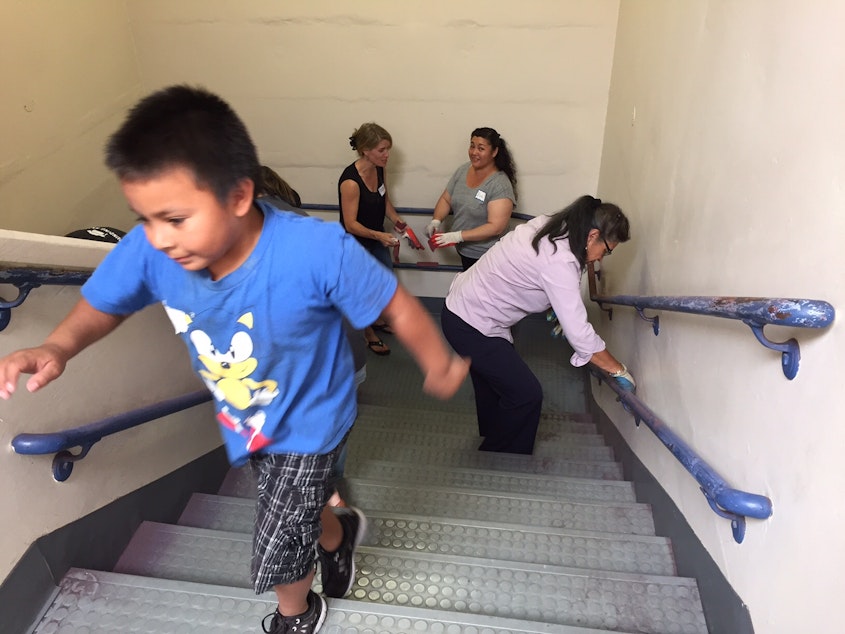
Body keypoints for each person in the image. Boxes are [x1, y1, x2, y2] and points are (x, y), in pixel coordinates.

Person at [0, 86, 469, 634]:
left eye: (175, 218)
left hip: (314, 416)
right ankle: (338, 532)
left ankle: (296, 613)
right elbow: (104, 302)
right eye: (144, 218)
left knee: (278, 533)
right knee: (299, 502)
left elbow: (394, 303)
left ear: (239, 195)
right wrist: (57, 346)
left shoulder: (313, 250)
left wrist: (436, 359)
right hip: (246, 416)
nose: (158, 238)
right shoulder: (153, 246)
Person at [440, 194, 636, 455]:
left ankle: (491, 447)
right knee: (526, 395)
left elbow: (533, 273)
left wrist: (554, 305)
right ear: (592, 236)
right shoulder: (560, 260)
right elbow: (581, 336)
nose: (601, 258)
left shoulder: (553, 226)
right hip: (470, 322)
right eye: (607, 250)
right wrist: (618, 371)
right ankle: (502, 457)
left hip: (466, 309)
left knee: (493, 388)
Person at [338, 122, 407, 356]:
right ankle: (368, 334)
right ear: (366, 150)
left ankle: (376, 320)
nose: (387, 155)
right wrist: (379, 235)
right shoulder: (350, 182)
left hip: (377, 238)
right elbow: (350, 224)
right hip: (356, 243)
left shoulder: (379, 169)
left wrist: (397, 220)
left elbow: (384, 199)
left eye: (388, 149)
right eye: (382, 150)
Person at [425, 127, 517, 270]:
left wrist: (458, 236)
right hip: (465, 252)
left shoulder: (499, 184)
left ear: (494, 152)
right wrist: (436, 221)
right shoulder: (463, 170)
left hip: (488, 255)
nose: (474, 152)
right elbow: (446, 199)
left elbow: (495, 227)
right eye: (472, 146)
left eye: (481, 148)